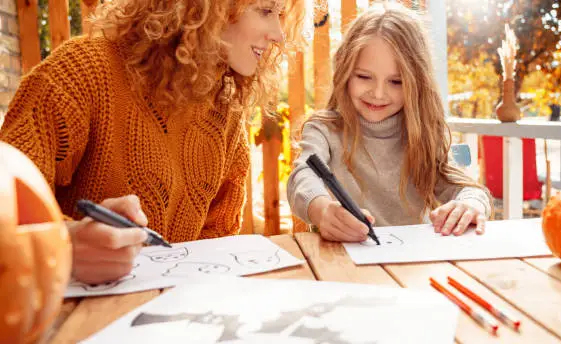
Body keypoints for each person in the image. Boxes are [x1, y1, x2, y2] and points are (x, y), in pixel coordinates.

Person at [0, 0, 304, 284]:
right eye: (265, 10)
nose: (278, 33)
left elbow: (217, 241)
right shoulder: (80, 74)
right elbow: (7, 205)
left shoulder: (223, 112)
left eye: (280, 14)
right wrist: (64, 245)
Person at [287, 2, 492, 243]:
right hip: (343, 265)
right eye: (364, 77)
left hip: (412, 266)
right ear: (344, 71)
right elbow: (302, 175)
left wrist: (470, 204)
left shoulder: (423, 134)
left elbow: (466, 188)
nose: (378, 93)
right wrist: (321, 210)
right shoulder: (323, 130)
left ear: (417, 83)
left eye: (396, 82)